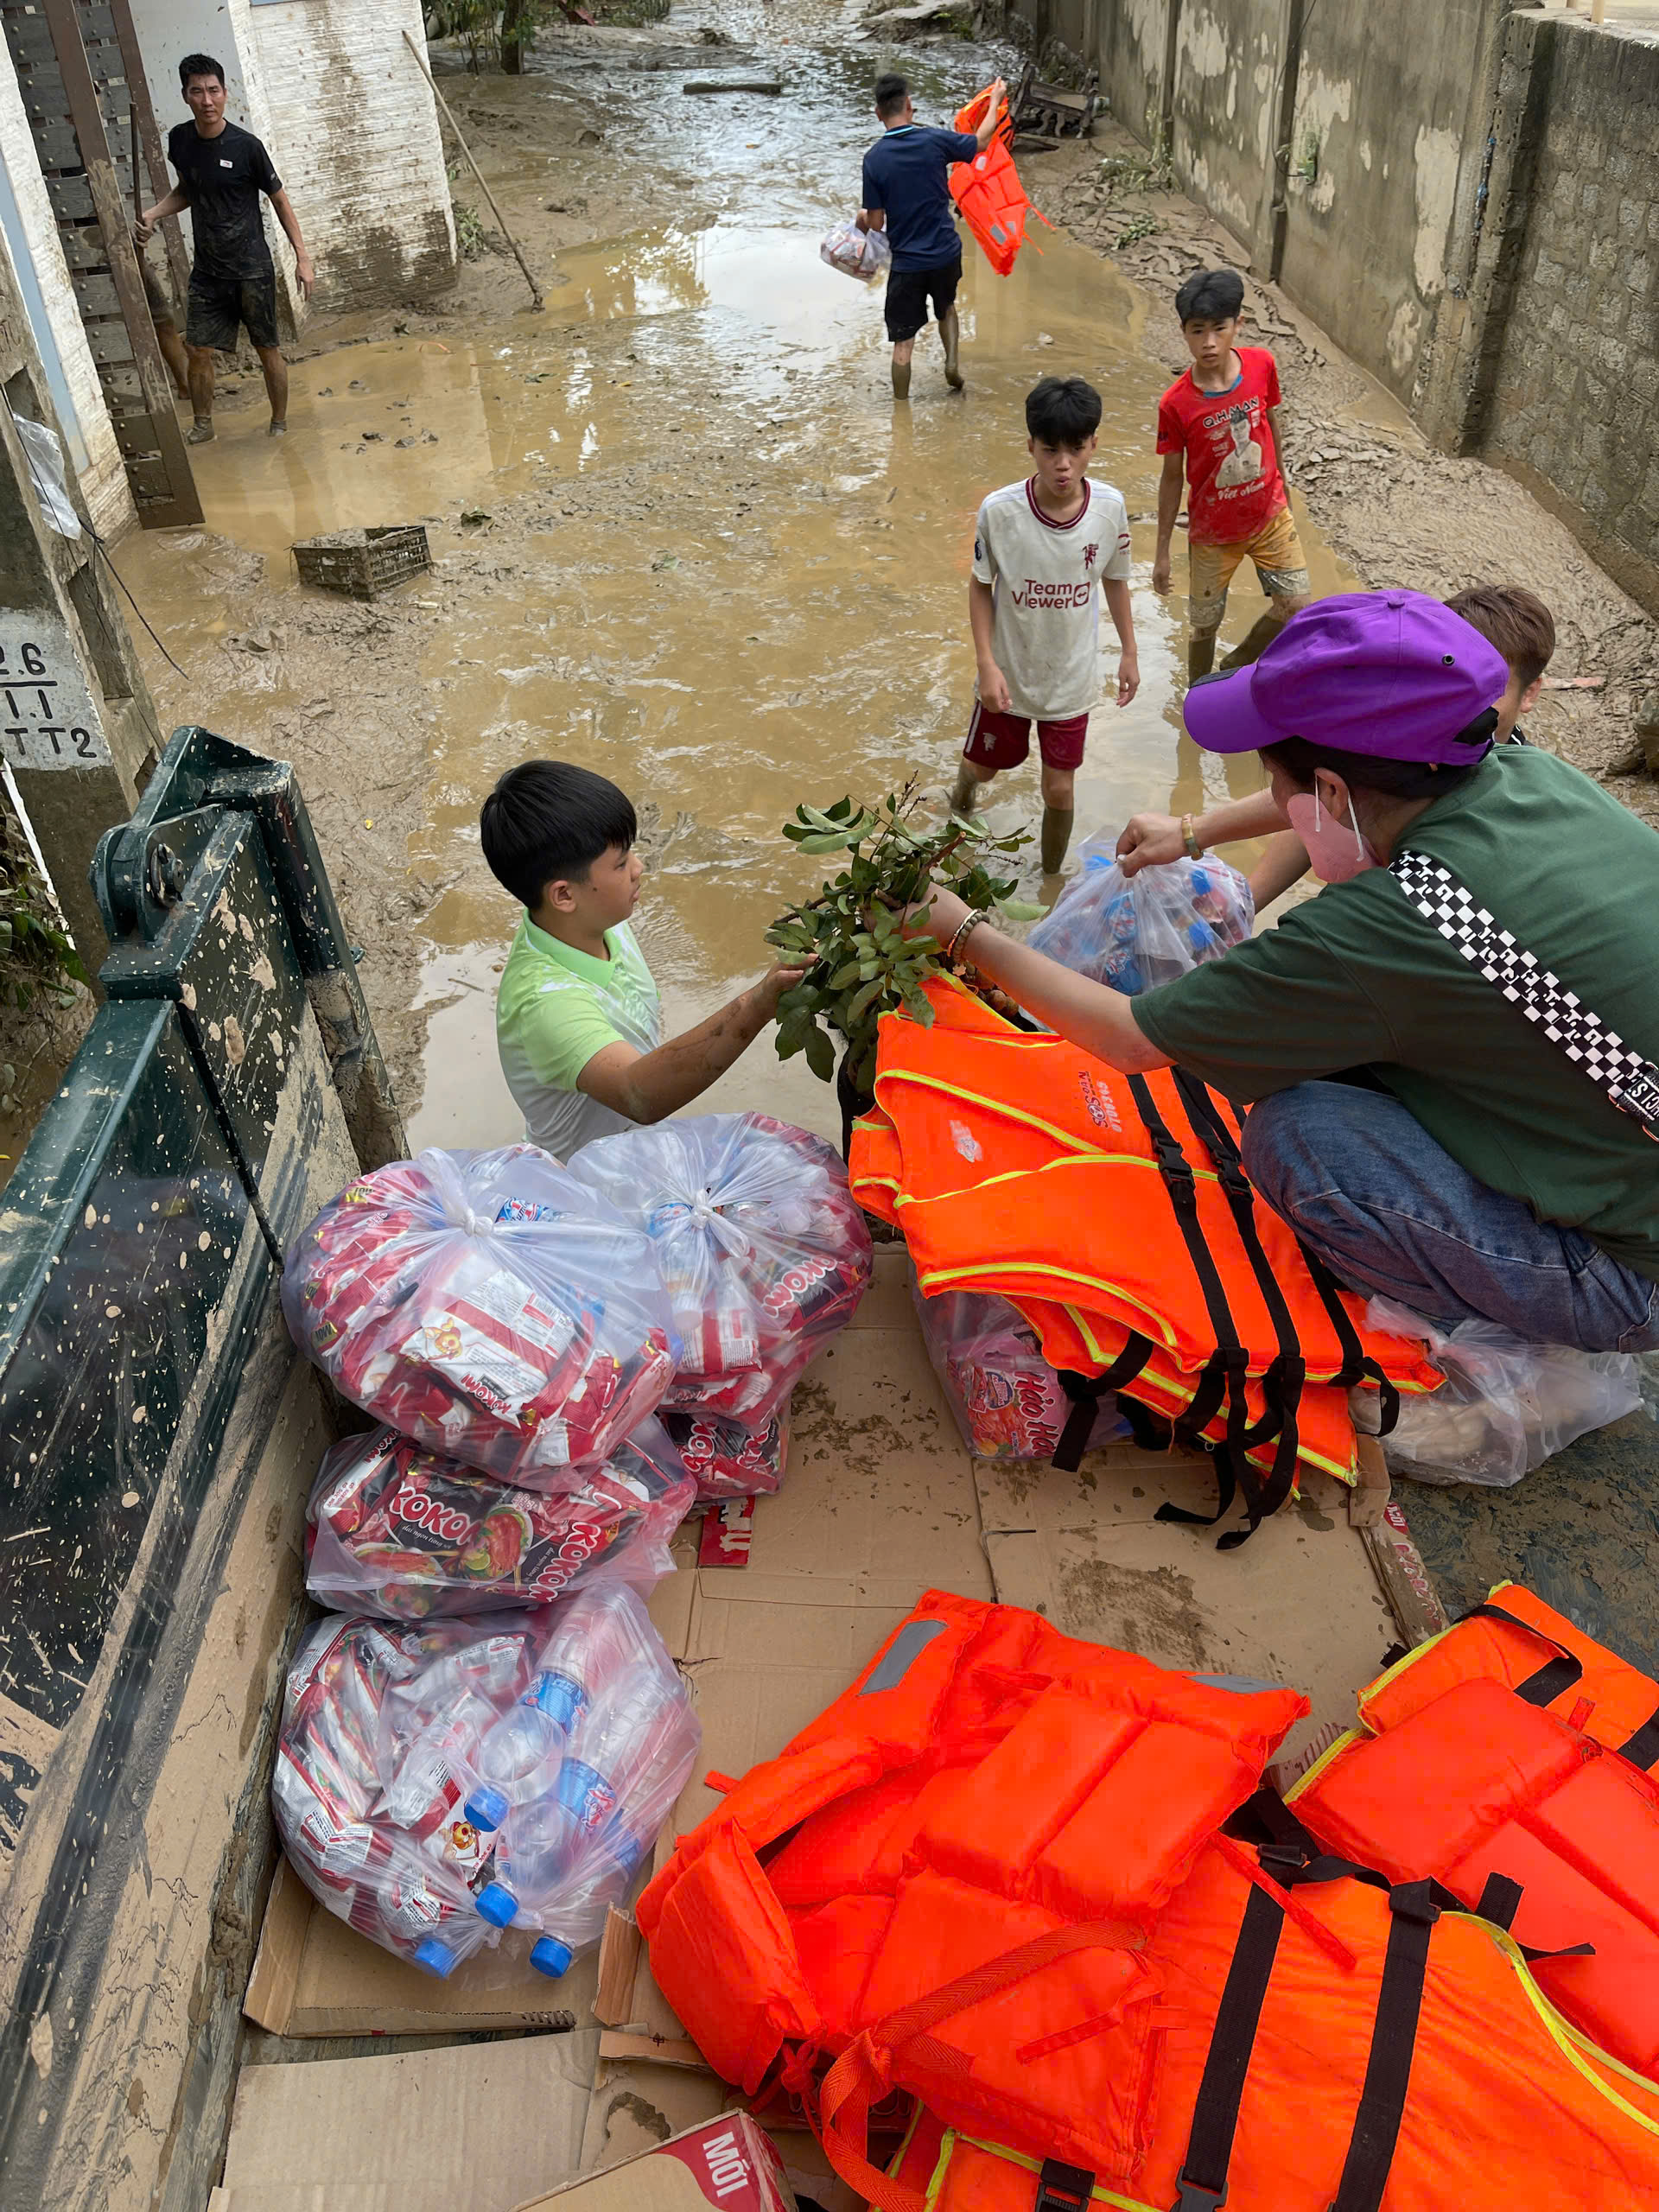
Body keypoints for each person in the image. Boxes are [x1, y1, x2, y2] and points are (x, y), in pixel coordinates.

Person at [909, 591, 1659, 1353]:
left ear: (1331, 791)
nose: (1278, 798)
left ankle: (1454, 1338)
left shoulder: (1384, 927)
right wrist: (1193, 832)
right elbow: (1343, 800)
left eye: (1277, 780)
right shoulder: (1529, 775)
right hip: (1634, 1142)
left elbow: (1132, 1040)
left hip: (1636, 1278)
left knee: (1298, 1136)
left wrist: (961, 930)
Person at [1117, 581, 1559, 909]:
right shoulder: (1408, 738)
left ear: (1531, 693)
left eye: (1490, 688)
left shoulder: (1478, 815)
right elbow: (1320, 800)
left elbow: (1329, 798)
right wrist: (1234, 889)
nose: (1458, 703)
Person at [481, 760, 807, 1160]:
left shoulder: (590, 920)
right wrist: (757, 1003)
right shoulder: (547, 1003)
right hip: (587, 1182)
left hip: (631, 1150)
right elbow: (640, 1095)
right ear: (564, 895)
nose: (638, 868)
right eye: (620, 864)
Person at [950, 377, 1140, 876]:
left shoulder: (1109, 510)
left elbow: (1116, 582)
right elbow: (980, 586)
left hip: (1070, 681)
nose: (1063, 464)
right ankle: (959, 802)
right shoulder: (1000, 512)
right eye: (1050, 450)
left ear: (1093, 445)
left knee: (1059, 786)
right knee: (985, 768)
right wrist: (986, 664)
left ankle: (1051, 884)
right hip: (1009, 676)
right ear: (1029, 445)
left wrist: (1129, 653)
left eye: (1076, 450)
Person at [134, 54, 314, 443]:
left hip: (252, 270)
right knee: (198, 349)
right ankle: (203, 425)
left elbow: (281, 201)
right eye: (197, 91)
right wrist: (153, 214)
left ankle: (279, 424)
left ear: (225, 93)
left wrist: (302, 257)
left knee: (267, 349)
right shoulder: (180, 140)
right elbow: (188, 190)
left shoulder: (248, 147)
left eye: (214, 90)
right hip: (208, 272)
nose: (207, 100)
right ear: (185, 96)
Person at [1154, 267, 1310, 683]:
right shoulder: (1175, 403)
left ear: (1238, 324)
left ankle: (1233, 668)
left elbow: (1272, 425)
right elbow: (1172, 478)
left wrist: (1285, 490)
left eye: (1219, 328)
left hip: (1269, 517)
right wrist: (1163, 552)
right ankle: (1197, 698)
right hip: (1211, 533)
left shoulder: (1262, 366)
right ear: (1183, 332)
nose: (1208, 343)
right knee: (1204, 624)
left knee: (1296, 607)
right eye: (1197, 331)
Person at [856, 71, 1005, 402]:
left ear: (878, 113)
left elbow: (877, 222)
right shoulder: (934, 141)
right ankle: (952, 367)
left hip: (908, 264)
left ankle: (901, 410)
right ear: (910, 105)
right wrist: (994, 100)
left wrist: (861, 217)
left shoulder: (874, 160)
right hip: (945, 253)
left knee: (903, 342)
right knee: (947, 305)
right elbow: (981, 142)